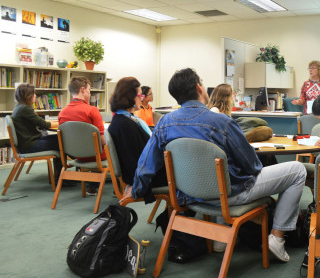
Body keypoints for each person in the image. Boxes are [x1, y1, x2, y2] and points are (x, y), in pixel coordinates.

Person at [120, 68, 306, 262]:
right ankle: (276, 239)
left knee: (224, 175)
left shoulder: (165, 123)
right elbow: (251, 164)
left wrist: (136, 189)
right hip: (228, 196)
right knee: (297, 170)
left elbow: (146, 162)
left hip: (188, 197)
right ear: (199, 88)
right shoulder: (221, 122)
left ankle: (221, 240)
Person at [108, 77, 167, 203]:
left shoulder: (125, 119)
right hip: (148, 176)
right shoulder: (125, 124)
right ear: (130, 97)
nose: (142, 97)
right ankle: (181, 214)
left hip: (146, 171)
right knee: (187, 173)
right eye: (139, 94)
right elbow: (139, 158)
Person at [58, 76, 105, 195]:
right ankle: (120, 188)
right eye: (89, 91)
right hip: (95, 156)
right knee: (116, 148)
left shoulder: (62, 113)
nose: (89, 94)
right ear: (83, 90)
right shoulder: (92, 110)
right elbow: (102, 141)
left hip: (75, 155)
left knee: (94, 149)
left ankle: (92, 186)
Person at [11, 84, 62, 183]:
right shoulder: (25, 109)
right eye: (33, 93)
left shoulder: (19, 107)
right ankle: (60, 178)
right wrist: (62, 122)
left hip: (27, 142)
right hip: (29, 145)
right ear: (27, 95)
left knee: (58, 138)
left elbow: (41, 124)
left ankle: (60, 176)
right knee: (61, 142)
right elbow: (45, 125)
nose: (35, 95)